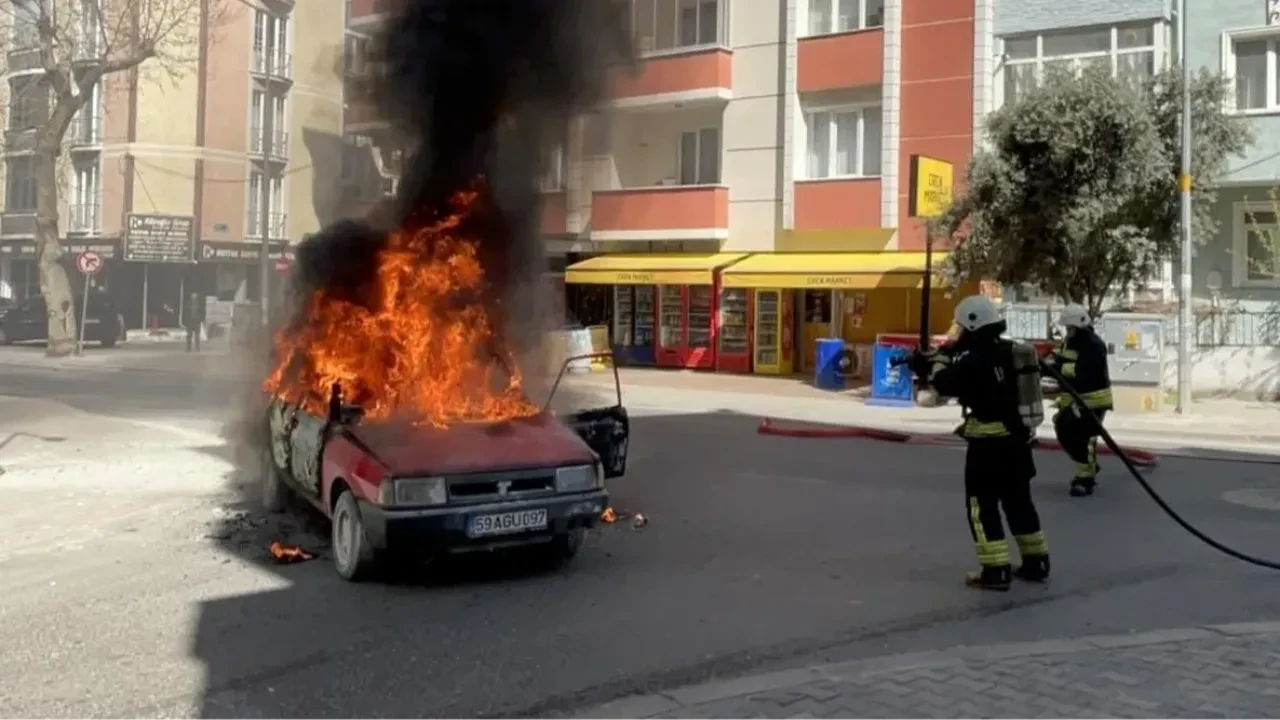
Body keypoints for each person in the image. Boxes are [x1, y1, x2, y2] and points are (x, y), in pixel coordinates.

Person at [907, 295, 1050, 591]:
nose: (957, 334)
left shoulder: (974, 360)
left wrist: (936, 361)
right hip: (1018, 444)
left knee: (981, 507)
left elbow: (945, 384)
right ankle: (1037, 562)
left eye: (960, 328)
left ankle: (995, 571)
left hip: (988, 448)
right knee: (1019, 502)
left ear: (972, 325)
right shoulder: (1011, 351)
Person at [1046, 303, 1113, 498]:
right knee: (1066, 431)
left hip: (1094, 401)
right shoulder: (1072, 342)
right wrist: (1049, 361)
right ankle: (1088, 470)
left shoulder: (1094, 345)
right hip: (1077, 400)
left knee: (1084, 438)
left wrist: (1056, 368)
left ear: (1078, 326)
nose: (1067, 331)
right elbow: (1065, 358)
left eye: (1070, 328)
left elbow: (1082, 373)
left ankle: (1086, 479)